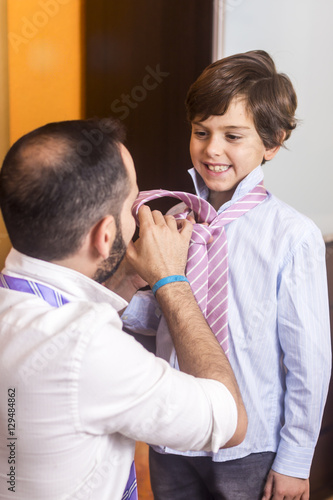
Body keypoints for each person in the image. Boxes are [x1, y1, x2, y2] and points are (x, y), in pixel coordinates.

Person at [0, 118, 248, 500]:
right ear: (105, 236)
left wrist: (126, 279)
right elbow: (230, 419)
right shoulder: (89, 350)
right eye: (132, 203)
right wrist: (170, 280)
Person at [122, 50, 332, 500]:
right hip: (174, 430)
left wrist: (295, 459)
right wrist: (133, 283)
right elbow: (156, 322)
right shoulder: (174, 220)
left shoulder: (293, 235)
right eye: (201, 132)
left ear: (272, 143)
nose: (212, 148)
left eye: (232, 135)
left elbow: (309, 361)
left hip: (251, 444)